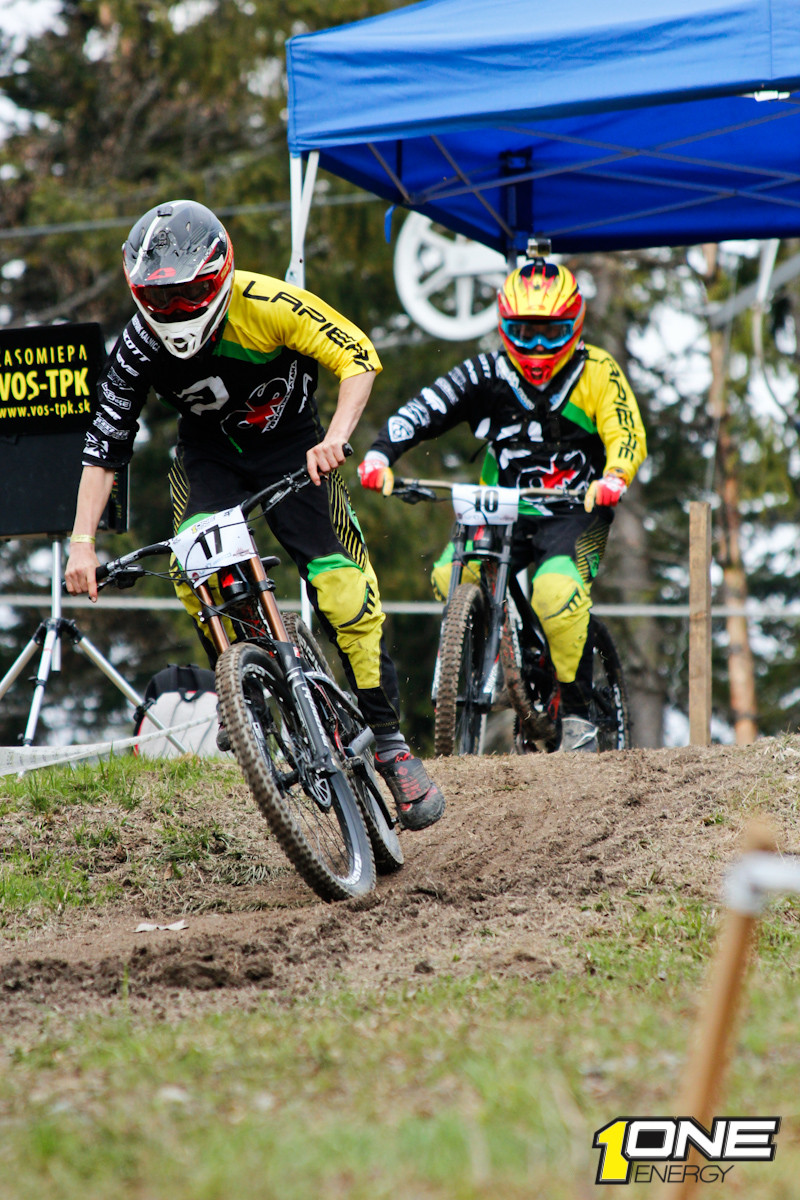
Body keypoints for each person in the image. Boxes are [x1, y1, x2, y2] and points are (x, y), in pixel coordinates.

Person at [65, 199, 444, 830]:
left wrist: (337, 438)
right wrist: (81, 541)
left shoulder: (267, 302)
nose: (175, 310)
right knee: (190, 567)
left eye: (189, 294)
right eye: (158, 298)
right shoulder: (135, 345)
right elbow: (103, 448)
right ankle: (243, 688)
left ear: (220, 274)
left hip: (296, 449)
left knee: (343, 591)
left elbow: (358, 355)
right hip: (210, 460)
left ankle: (389, 742)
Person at [358, 255, 647, 753]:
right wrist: (381, 454)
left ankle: (578, 713)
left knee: (556, 594)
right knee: (448, 575)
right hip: (502, 506)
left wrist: (615, 475)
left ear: (575, 324)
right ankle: (488, 654)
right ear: (504, 326)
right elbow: (427, 406)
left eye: (551, 333)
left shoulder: (597, 370)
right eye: (524, 333)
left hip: (575, 508)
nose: (537, 347)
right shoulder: (486, 371)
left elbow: (626, 430)